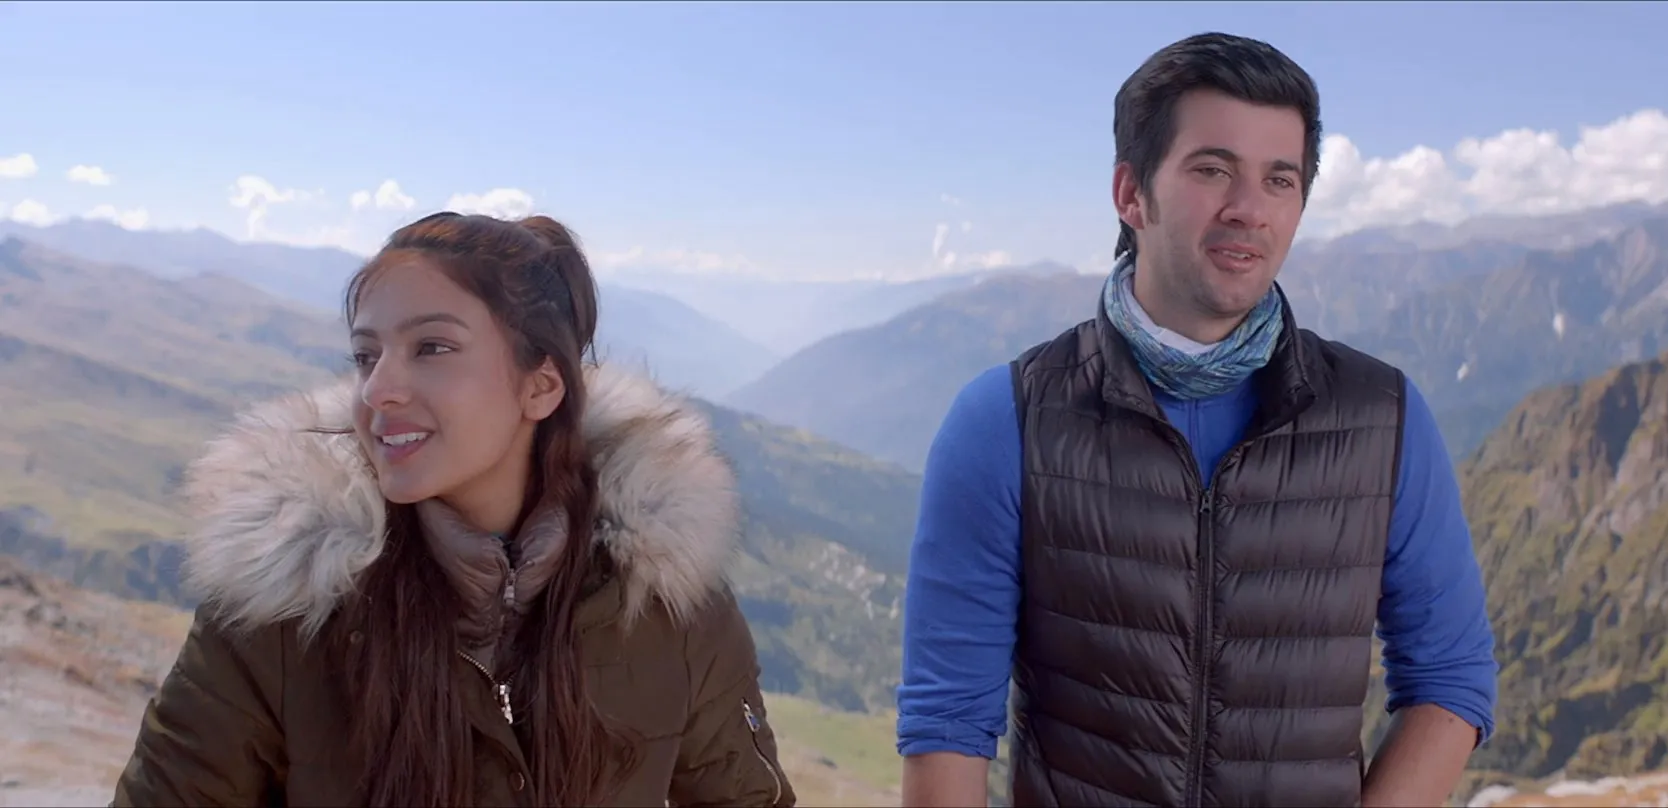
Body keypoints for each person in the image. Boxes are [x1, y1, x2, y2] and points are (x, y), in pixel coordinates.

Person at [896, 32, 1499, 808]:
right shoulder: (1006, 420)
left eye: (1279, 179)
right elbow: (949, 721)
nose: (1249, 209)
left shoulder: (1384, 419)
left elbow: (1451, 678)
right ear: (1131, 193)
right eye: (1212, 169)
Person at [112, 212, 797, 808]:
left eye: (432, 348)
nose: (378, 390)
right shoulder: (283, 613)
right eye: (366, 356)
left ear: (541, 386)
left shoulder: (670, 606)